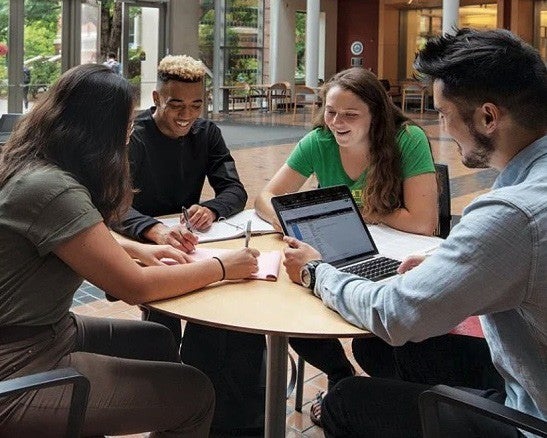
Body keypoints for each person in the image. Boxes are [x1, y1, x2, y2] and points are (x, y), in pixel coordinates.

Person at [283, 28, 547, 437]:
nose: (442, 128)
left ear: (488, 117)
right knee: (378, 347)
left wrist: (317, 273)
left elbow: (394, 314)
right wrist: (451, 262)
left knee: (347, 399)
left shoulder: (513, 213)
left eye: (443, 114)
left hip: (532, 416)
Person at [0, 63, 260, 437]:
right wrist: (222, 266)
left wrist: (142, 251)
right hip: (21, 359)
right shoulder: (52, 188)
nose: (129, 133)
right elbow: (135, 288)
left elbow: (75, 232)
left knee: (157, 338)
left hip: (49, 329)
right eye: (124, 124)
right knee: (196, 394)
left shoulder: (39, 165)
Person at [255, 66, 439, 425]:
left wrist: (365, 212)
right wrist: (287, 221)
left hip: (393, 257)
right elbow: (267, 196)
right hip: (334, 249)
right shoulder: (319, 142)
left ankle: (386, 395)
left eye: (351, 114)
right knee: (291, 308)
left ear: (376, 115)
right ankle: (340, 373)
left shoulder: (407, 140)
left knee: (372, 335)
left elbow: (423, 222)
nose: (337, 122)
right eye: (331, 111)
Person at [112, 54, 265, 434]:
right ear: (156, 97)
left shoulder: (207, 133)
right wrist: (154, 230)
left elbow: (234, 189)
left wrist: (211, 210)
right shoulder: (134, 135)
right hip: (143, 243)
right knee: (162, 332)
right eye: (176, 103)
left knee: (212, 314)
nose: (187, 114)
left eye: (197, 105)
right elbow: (113, 203)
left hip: (194, 242)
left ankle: (207, 396)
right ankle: (168, 400)